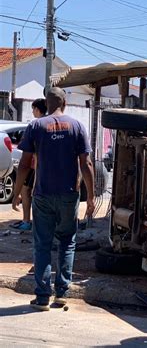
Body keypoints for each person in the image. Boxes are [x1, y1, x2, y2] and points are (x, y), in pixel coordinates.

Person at [12, 87, 95, 311]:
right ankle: (62, 294)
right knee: (67, 242)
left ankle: (42, 298)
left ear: (46, 105)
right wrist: (92, 197)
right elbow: (86, 164)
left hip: (43, 194)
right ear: (65, 104)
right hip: (69, 194)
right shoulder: (77, 126)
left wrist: (17, 192)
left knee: (42, 245)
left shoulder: (36, 126)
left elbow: (23, 164)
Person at [10, 98, 48, 231]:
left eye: (33, 109)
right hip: (47, 167)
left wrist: (16, 194)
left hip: (35, 166)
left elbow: (27, 160)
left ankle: (27, 221)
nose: (32, 112)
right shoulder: (52, 123)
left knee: (26, 191)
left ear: (37, 110)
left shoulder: (35, 125)